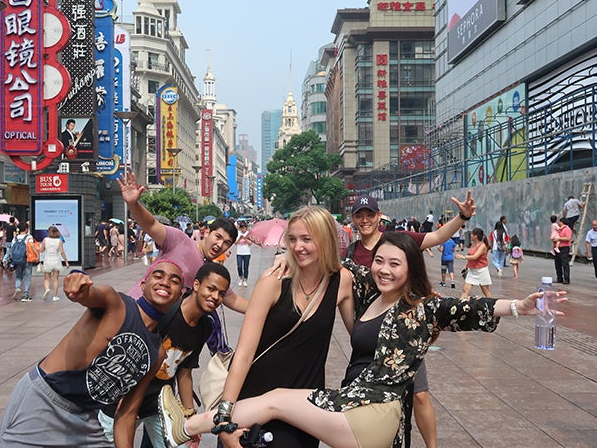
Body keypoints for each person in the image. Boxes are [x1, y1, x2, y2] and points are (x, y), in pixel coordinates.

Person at [159, 232, 567, 448]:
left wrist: (521, 307)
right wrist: (292, 252)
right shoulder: (370, 293)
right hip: (351, 402)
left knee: (276, 400)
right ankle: (190, 427)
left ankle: (187, 427)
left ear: (412, 269)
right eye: (381, 262)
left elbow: (471, 311)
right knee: (276, 402)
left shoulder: (424, 307)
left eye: (396, 264)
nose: (385, 270)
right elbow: (328, 259)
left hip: (374, 411)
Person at [0, 260, 185, 448]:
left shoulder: (157, 352)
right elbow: (90, 294)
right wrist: (78, 284)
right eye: (158, 276)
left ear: (179, 296)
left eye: (174, 281)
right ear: (143, 285)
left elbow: (127, 414)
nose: (165, 282)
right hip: (45, 401)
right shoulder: (115, 303)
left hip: (86, 416)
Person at [211, 206, 354, 448]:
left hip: (304, 408)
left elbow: (360, 336)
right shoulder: (273, 280)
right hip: (256, 402)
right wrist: (225, 415)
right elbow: (244, 354)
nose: (298, 247)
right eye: (293, 239)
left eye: (307, 239)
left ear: (326, 239)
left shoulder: (342, 281)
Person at [345, 192, 475, 448]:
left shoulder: (398, 241)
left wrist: (462, 217)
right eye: (359, 215)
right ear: (352, 219)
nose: (364, 220)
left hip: (403, 333)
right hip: (371, 337)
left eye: (369, 214)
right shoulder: (351, 252)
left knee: (420, 395)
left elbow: (436, 237)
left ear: (378, 216)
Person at [99, 262, 231, 448]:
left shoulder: (205, 326)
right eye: (211, 289)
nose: (215, 297)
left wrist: (190, 418)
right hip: (122, 403)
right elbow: (131, 353)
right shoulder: (167, 312)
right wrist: (123, 397)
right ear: (196, 285)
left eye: (221, 293)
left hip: (158, 405)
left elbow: (185, 371)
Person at [118, 171, 247, 313]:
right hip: (133, 310)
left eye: (227, 243)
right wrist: (133, 204)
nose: (220, 245)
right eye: (218, 237)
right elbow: (152, 225)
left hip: (158, 326)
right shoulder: (179, 239)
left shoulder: (210, 271)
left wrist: (267, 309)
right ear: (207, 232)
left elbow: (233, 300)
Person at [455, 228, 492, 298]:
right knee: (465, 290)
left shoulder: (483, 246)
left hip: (481, 270)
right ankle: (460, 305)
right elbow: (470, 256)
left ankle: (491, 306)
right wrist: (466, 265)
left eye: (472, 234)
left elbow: (475, 257)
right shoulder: (473, 244)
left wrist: (462, 256)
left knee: (485, 290)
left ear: (476, 236)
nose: (471, 235)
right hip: (472, 270)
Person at [40, 225, 70, 301]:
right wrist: (66, 262)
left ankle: (47, 289)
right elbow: (62, 252)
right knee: (55, 279)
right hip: (56, 260)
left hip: (47, 260)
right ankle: (55, 296)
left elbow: (41, 250)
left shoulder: (45, 240)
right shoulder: (59, 241)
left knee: (47, 278)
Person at [10, 223, 38, 302]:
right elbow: (32, 246)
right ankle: (25, 295)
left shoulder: (15, 238)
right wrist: (37, 255)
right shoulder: (29, 237)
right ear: (26, 229)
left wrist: (12, 259)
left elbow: (12, 249)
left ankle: (18, 288)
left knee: (18, 276)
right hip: (26, 259)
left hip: (17, 260)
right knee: (27, 277)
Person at [552, 217, 572, 284]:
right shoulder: (559, 229)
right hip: (558, 248)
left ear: (562, 222)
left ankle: (566, 279)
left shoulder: (567, 229)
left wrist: (559, 239)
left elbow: (568, 238)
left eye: (560, 222)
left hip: (564, 248)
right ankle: (559, 278)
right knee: (557, 264)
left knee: (565, 263)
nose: (559, 223)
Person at [235, 221, 252, 287]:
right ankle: (241, 278)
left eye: (244, 228)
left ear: (246, 228)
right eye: (241, 228)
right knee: (239, 266)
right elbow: (235, 243)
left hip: (247, 253)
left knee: (246, 267)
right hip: (239, 253)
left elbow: (250, 243)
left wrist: (245, 238)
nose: (243, 229)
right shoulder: (238, 233)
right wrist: (239, 238)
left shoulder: (248, 233)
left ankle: (245, 279)